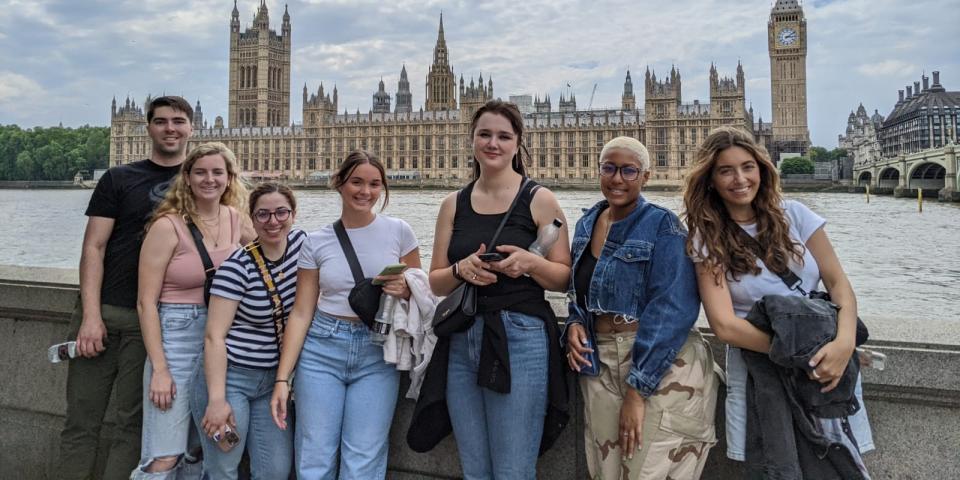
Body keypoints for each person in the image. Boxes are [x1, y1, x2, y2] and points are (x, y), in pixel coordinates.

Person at [681, 126, 873, 470]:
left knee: (840, 464)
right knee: (774, 465)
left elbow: (839, 284)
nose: (740, 178)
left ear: (762, 169)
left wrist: (843, 344)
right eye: (726, 170)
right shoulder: (705, 237)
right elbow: (724, 326)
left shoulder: (796, 214)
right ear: (709, 179)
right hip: (763, 366)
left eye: (747, 166)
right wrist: (804, 355)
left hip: (829, 365)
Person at [419, 99, 572, 479]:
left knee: (513, 470)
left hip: (521, 337)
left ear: (518, 143)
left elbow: (565, 277)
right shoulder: (452, 204)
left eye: (504, 136)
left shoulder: (541, 199)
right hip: (463, 337)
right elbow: (436, 281)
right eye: (485, 134)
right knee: (474, 470)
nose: (493, 143)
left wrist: (531, 263)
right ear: (471, 139)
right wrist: (462, 268)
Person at [56, 96, 194, 480]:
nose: (170, 128)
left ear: (191, 128)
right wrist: (90, 316)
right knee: (82, 419)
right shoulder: (119, 178)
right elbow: (93, 247)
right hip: (107, 311)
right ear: (146, 127)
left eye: (178, 121)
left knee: (132, 424)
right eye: (162, 121)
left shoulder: (201, 180)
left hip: (154, 321)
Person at [565, 137, 718, 479]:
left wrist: (638, 389)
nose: (617, 178)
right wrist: (575, 322)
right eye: (609, 168)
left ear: (645, 176)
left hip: (660, 366)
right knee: (605, 472)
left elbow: (672, 309)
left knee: (649, 471)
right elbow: (580, 291)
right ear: (599, 171)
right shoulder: (586, 224)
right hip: (600, 364)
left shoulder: (663, 226)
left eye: (629, 170)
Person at [270, 150, 420, 478]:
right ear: (339, 183)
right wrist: (283, 377)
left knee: (364, 456)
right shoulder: (315, 241)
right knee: (314, 452)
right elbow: (301, 312)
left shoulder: (401, 232)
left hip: (378, 351)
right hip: (322, 348)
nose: (365, 191)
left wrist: (406, 290)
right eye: (357, 182)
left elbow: (421, 295)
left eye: (374, 184)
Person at [133, 142, 251, 478]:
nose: (209, 179)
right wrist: (159, 368)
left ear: (230, 178)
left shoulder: (234, 219)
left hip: (222, 340)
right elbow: (146, 303)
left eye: (218, 172)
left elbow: (272, 253)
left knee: (202, 449)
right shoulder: (167, 226)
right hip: (177, 339)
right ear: (187, 177)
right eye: (200, 172)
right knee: (165, 454)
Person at [191, 183, 304, 478]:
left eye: (281, 212)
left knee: (276, 471)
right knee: (223, 466)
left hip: (271, 382)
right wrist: (217, 401)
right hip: (229, 380)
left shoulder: (304, 247)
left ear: (294, 215)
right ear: (251, 220)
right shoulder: (235, 269)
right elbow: (214, 336)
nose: (273, 221)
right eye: (263, 215)